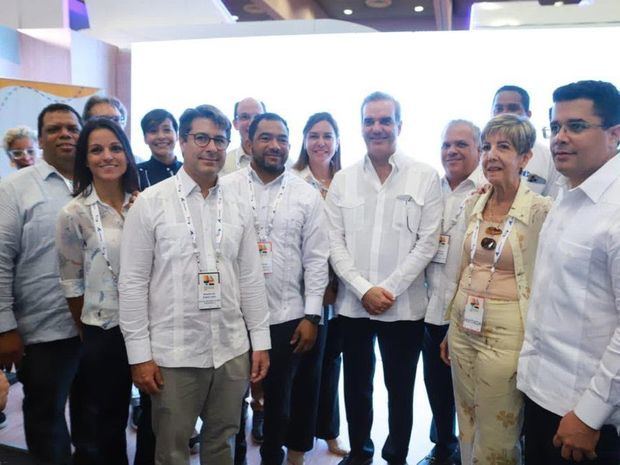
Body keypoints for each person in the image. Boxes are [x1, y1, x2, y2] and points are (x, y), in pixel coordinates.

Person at [119, 104, 271, 465]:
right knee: (172, 448)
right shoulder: (151, 203)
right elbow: (132, 283)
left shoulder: (239, 205)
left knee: (223, 442)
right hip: (174, 353)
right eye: (201, 138)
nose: (211, 148)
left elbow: (250, 278)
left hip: (231, 349)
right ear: (183, 142)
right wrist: (139, 356)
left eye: (220, 140)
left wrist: (260, 343)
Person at [326, 91, 442, 465]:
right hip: (353, 306)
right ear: (360, 126)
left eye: (385, 120)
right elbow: (334, 242)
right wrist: (363, 289)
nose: (377, 128)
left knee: (400, 388)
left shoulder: (425, 176)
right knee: (356, 386)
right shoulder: (343, 180)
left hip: (404, 307)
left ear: (399, 125)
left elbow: (427, 243)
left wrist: (386, 290)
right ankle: (359, 451)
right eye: (369, 121)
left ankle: (396, 456)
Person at [440, 114, 552, 465]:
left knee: (499, 432)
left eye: (503, 147)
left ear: (525, 157)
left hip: (507, 333)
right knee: (467, 423)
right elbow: (464, 266)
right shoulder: (475, 202)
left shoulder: (541, 211)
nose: (491, 155)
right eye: (487, 146)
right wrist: (448, 327)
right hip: (462, 327)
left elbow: (546, 279)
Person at [518, 80, 620, 465]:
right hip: (542, 393)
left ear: (615, 134)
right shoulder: (565, 194)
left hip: (588, 417)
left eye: (576, 127)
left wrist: (590, 414)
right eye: (555, 127)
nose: (560, 138)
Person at [224, 112, 329, 465]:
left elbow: (316, 259)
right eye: (266, 138)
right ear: (249, 142)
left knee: (280, 403)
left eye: (282, 139)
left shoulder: (306, 195)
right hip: (233, 315)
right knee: (231, 402)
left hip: (286, 315)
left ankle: (273, 458)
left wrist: (312, 315)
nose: (275, 145)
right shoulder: (225, 188)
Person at [0, 103, 89, 464]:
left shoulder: (98, 183)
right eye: (54, 129)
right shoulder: (15, 189)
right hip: (41, 333)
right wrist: (4, 327)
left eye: (72, 128)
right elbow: (1, 260)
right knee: (46, 423)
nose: (65, 134)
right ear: (41, 139)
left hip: (94, 329)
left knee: (92, 418)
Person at [56, 117, 139, 465]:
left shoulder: (145, 204)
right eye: (96, 150)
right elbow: (71, 280)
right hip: (104, 330)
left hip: (152, 326)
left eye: (115, 148)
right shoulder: (73, 213)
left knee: (154, 413)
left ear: (127, 155)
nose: (107, 156)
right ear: (86, 160)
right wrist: (87, 330)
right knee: (110, 417)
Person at [419, 120, 484, 465]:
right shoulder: (432, 188)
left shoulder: (487, 191)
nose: (452, 151)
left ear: (479, 148)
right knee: (436, 388)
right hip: (431, 310)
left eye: (461, 144)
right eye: (446, 145)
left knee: (470, 395)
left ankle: (471, 453)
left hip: (470, 315)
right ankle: (443, 447)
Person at [290, 112, 348, 458]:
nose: (321, 142)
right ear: (304, 139)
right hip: (302, 290)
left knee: (331, 367)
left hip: (343, 290)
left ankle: (329, 434)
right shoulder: (293, 179)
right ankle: (296, 443)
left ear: (338, 141)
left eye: (327, 136)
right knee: (304, 370)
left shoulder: (347, 180)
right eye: (314, 135)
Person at [492, 85, 561, 197]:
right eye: (499, 109)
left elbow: (553, 203)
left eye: (512, 108)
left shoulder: (548, 157)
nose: (504, 114)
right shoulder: (480, 153)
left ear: (528, 115)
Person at [136, 109, 182, 189]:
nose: (161, 136)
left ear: (177, 136)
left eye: (167, 130)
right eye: (153, 131)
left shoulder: (188, 171)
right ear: (145, 138)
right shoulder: (136, 174)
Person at [222, 97, 265, 175]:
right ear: (235, 124)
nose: (251, 123)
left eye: (257, 117)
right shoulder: (223, 164)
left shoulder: (286, 164)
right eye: (245, 117)